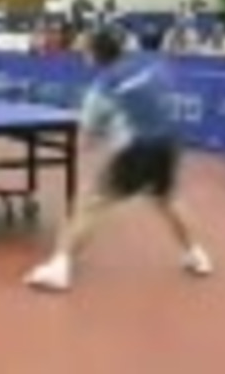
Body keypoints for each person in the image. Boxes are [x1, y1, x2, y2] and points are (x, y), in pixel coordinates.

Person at [24, 30, 213, 292]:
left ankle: (59, 268)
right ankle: (197, 254)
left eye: (85, 51)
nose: (83, 55)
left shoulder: (103, 87)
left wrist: (96, 138)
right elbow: (162, 90)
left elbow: (87, 138)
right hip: (168, 142)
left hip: (136, 149)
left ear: (95, 55)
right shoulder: (150, 64)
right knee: (167, 198)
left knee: (90, 203)